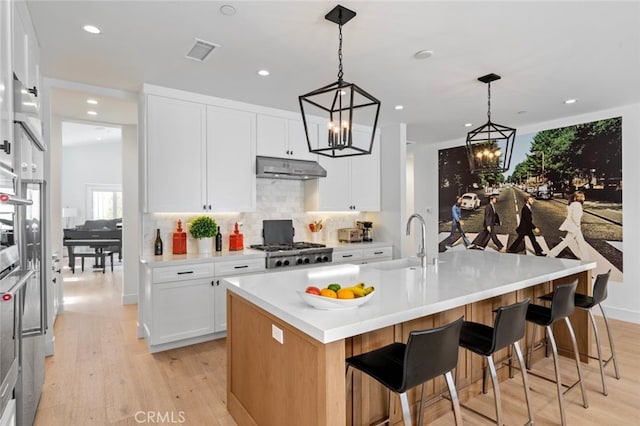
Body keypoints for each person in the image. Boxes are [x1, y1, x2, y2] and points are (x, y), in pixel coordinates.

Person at [547, 191, 589, 260]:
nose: (584, 198)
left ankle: (586, 258)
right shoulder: (577, 205)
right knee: (568, 242)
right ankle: (551, 254)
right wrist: (578, 225)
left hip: (573, 226)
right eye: (583, 196)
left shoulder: (572, 204)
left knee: (580, 243)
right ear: (578, 198)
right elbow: (575, 217)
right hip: (575, 227)